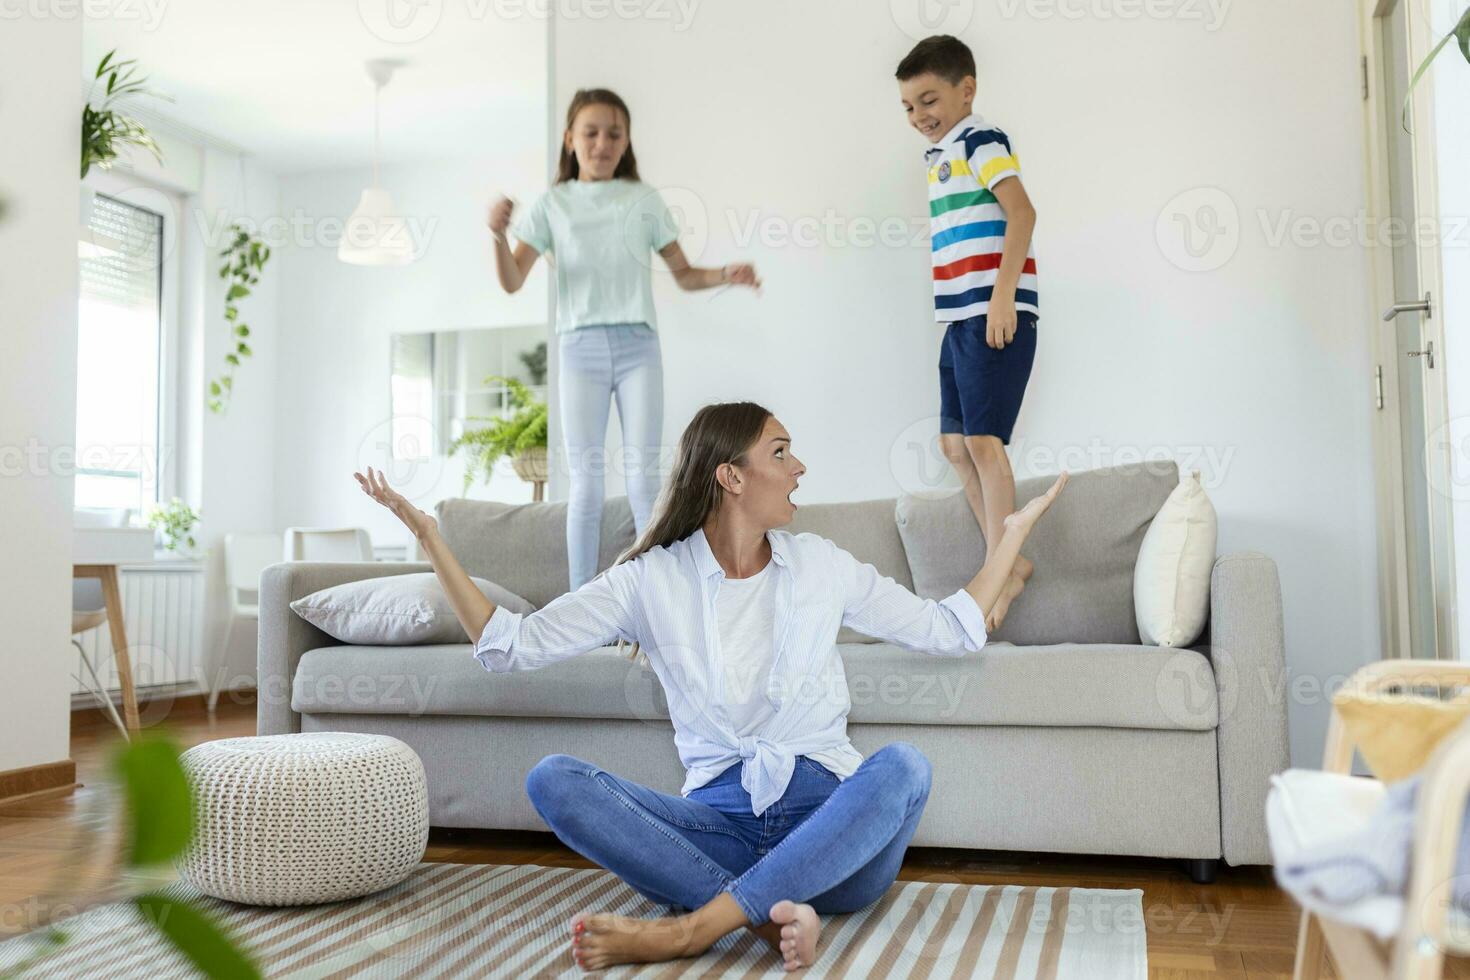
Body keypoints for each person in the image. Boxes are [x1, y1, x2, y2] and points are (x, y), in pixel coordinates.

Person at [354, 401, 1067, 972]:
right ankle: (772, 922)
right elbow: (508, 647)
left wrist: (1007, 537)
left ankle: (697, 929)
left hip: (835, 837)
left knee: (904, 770)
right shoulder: (649, 580)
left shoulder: (822, 564)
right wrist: (429, 539)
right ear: (730, 476)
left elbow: (951, 628)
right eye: (781, 453)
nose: (799, 468)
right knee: (554, 780)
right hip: (718, 831)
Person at [487, 87, 760, 591]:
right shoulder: (552, 205)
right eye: (590, 132)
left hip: (638, 348)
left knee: (643, 482)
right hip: (579, 349)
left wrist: (726, 273)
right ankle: (580, 606)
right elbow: (511, 280)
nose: (602, 143)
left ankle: (655, 596)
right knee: (586, 486)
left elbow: (684, 274)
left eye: (614, 133)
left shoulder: (642, 198)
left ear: (627, 140)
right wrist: (498, 236)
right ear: (570, 139)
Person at [897, 35, 1042, 631]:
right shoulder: (939, 155)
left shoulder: (981, 139)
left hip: (991, 314)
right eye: (907, 107)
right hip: (959, 318)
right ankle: (1012, 559)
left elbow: (1023, 213)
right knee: (954, 446)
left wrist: (1001, 298)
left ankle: (999, 570)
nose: (918, 116)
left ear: (966, 89)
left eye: (928, 99)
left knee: (985, 444)